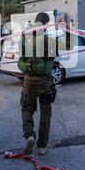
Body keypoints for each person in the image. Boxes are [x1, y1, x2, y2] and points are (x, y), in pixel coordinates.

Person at [18, 13, 57, 156]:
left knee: (27, 108)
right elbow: (53, 57)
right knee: (45, 113)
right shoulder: (49, 41)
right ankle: (42, 146)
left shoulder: (24, 39)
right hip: (44, 82)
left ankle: (29, 135)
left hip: (28, 80)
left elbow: (21, 57)